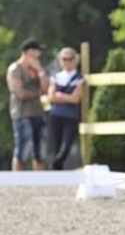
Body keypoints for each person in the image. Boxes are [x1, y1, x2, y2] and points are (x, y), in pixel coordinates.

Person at [6, 38, 50, 171]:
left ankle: (40, 182)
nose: (39, 54)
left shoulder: (37, 70)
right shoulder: (15, 69)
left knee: (40, 152)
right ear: (29, 52)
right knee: (22, 151)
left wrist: (40, 71)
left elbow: (46, 88)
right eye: (37, 51)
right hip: (22, 114)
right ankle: (17, 181)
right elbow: (20, 94)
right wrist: (38, 93)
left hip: (38, 113)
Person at [47, 48, 84, 170]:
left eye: (70, 59)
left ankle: (58, 163)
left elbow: (76, 98)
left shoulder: (78, 78)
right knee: (56, 143)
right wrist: (67, 97)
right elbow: (51, 96)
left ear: (75, 60)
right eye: (64, 59)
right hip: (56, 114)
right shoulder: (56, 77)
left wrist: (61, 96)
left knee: (66, 143)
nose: (67, 62)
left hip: (71, 115)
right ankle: (57, 170)